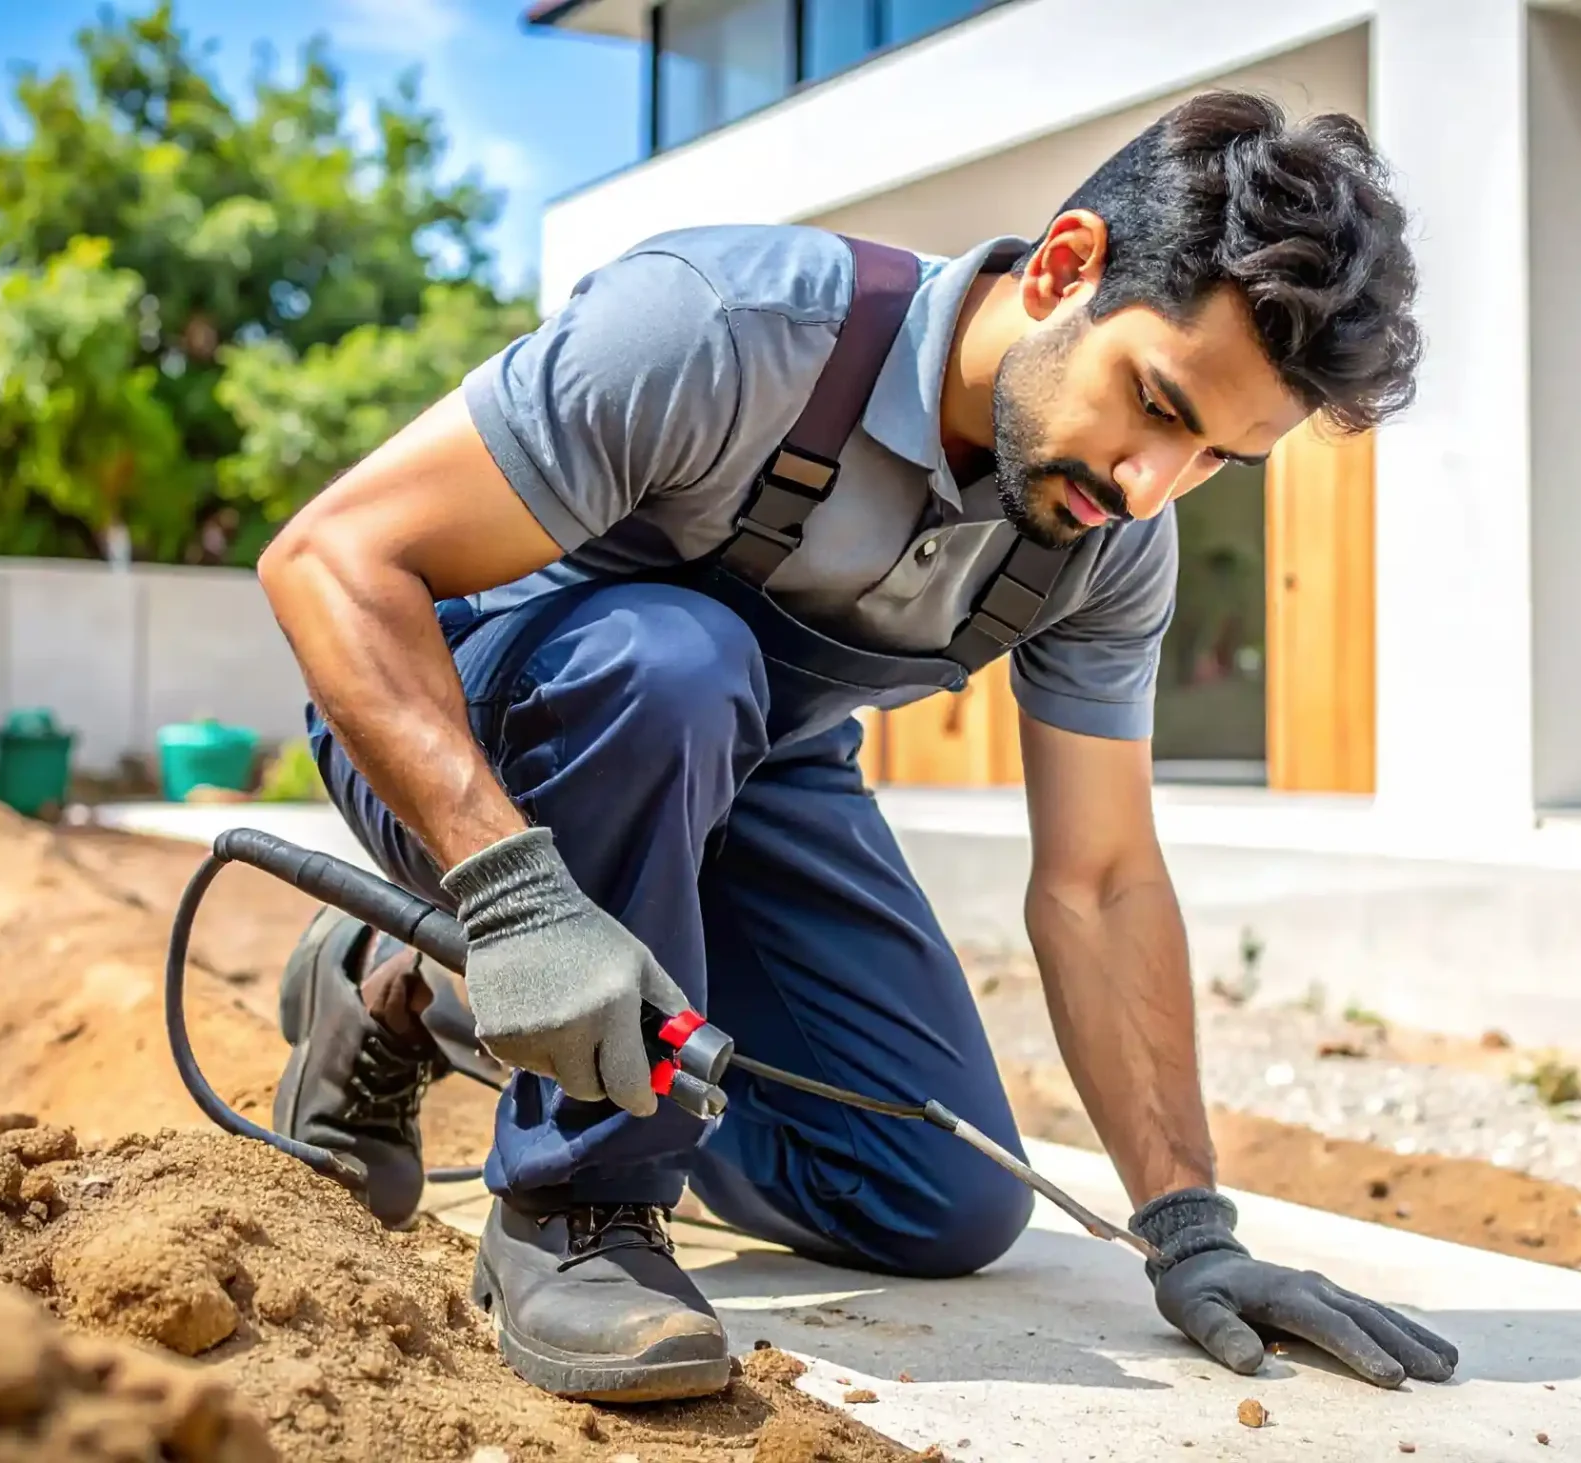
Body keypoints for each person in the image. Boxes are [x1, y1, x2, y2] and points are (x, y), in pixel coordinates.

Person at [256, 88, 1457, 1405]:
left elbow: (1101, 879)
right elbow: (333, 557)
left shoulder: (1104, 548)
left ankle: (406, 983)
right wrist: (512, 891)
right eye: (1156, 406)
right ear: (1064, 268)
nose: (1150, 485)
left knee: (935, 1201)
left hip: (742, 774)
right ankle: (576, 1210)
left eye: (1222, 455)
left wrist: (1187, 1226)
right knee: (675, 665)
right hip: (467, 731)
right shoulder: (729, 331)